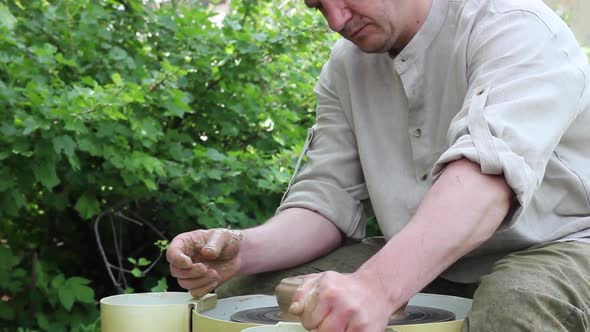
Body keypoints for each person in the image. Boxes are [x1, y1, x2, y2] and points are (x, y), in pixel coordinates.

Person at [166, 0, 590, 331]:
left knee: (514, 304)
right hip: (420, 256)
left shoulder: (515, 25)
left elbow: (486, 179)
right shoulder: (346, 66)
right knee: (251, 295)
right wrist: (244, 251)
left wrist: (376, 286)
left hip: (561, 244)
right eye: (317, 6)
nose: (335, 19)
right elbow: (327, 198)